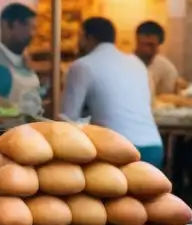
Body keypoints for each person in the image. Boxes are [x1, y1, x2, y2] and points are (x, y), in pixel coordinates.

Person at [61, 16, 163, 168]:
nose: (78, 42)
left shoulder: (82, 66)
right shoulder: (136, 63)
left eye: (80, 37)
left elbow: (68, 120)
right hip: (154, 147)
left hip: (118, 149)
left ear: (89, 38)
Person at [0, 3, 42, 116]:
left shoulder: (23, 60)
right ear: (6, 26)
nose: (32, 33)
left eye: (34, 28)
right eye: (26, 26)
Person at [135, 20, 182, 97]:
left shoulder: (159, 65)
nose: (145, 49)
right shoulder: (131, 62)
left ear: (158, 45)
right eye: (141, 44)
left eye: (150, 45)